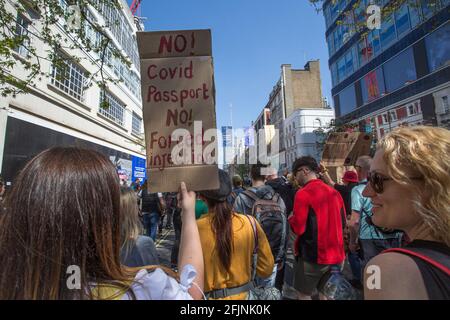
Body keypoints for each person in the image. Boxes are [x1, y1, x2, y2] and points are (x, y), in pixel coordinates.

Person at [0, 147, 204, 299]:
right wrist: (188, 213)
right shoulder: (142, 289)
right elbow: (193, 296)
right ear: (103, 217)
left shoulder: (14, 286)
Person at [363, 126, 450, 300]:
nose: (366, 192)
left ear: (428, 186)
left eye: (377, 180)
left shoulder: (382, 269)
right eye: (368, 179)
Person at [196, 169, 274, 299]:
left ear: (202, 197)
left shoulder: (195, 229)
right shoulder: (250, 223)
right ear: (230, 193)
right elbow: (266, 269)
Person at [289, 156, 346, 300]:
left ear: (305, 170)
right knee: (327, 295)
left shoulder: (303, 193)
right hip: (337, 256)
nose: (296, 178)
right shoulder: (335, 193)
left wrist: (291, 219)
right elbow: (343, 222)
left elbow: (299, 228)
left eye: (296, 174)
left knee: (304, 294)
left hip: (313, 257)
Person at [233, 163, 287, 288]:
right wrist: (281, 255)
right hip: (272, 255)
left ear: (251, 176)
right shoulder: (277, 198)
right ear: (266, 176)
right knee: (267, 291)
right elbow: (285, 226)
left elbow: (235, 228)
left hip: (249, 256)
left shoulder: (242, 198)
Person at [348, 156, 402, 277]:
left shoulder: (358, 190)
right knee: (392, 271)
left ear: (359, 169)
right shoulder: (388, 186)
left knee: (374, 274)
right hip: (394, 235)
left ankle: (374, 294)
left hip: (369, 239)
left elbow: (355, 221)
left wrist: (352, 242)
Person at [120, 187, 159, 268]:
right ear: (133, 209)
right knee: (153, 229)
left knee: (148, 229)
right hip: (153, 212)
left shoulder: (97, 246)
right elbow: (154, 276)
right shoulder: (144, 244)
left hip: (146, 213)